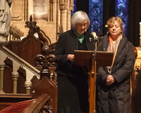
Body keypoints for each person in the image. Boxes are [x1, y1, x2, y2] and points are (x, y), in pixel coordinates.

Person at [55, 11, 95, 113]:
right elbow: (56, 56)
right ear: (74, 24)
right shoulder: (65, 37)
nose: (83, 27)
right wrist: (67, 57)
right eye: (80, 25)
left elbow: (93, 55)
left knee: (82, 107)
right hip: (67, 78)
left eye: (85, 24)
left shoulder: (89, 37)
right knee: (68, 107)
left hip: (82, 77)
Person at [96, 17, 135, 113]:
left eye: (116, 26)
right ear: (108, 28)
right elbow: (97, 62)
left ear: (121, 28)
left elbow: (129, 65)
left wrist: (114, 77)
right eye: (111, 26)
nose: (113, 28)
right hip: (104, 86)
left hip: (120, 86)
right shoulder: (101, 43)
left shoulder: (128, 45)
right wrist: (105, 76)